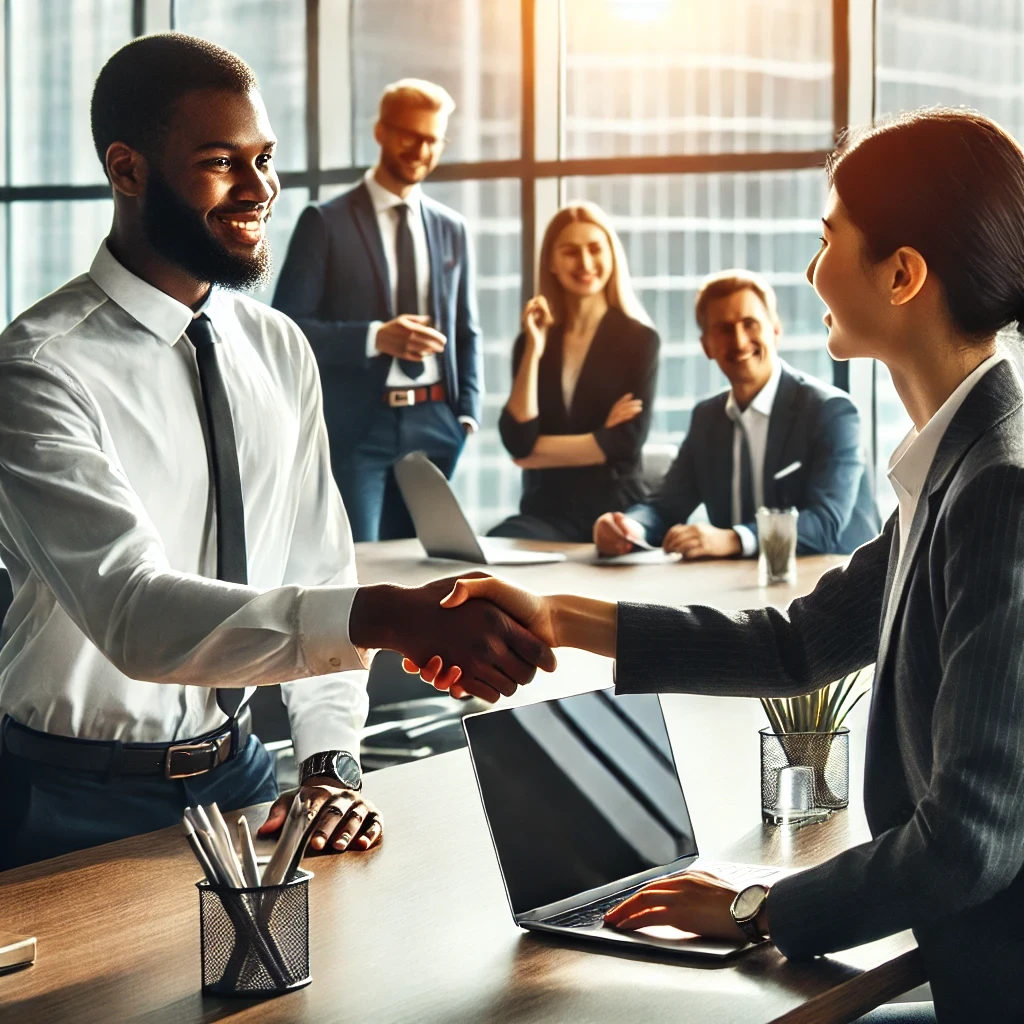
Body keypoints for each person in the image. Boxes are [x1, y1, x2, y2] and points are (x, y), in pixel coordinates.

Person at [417, 109, 1024, 1023]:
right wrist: (557, 616)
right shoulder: (960, 465)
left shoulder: (998, 486)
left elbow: (969, 841)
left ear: (902, 274)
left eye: (829, 240)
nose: (812, 271)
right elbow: (801, 644)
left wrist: (761, 908)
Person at [0, 35, 552, 872]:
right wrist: (383, 615)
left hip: (241, 773)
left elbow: (318, 563)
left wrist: (329, 763)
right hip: (67, 798)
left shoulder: (277, 345)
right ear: (129, 170)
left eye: (266, 160)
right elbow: (134, 614)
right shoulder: (37, 368)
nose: (260, 191)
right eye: (222, 162)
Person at [272, 78, 481, 542]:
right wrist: (374, 336)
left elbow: (466, 330)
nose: (422, 150)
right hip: (358, 429)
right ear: (381, 131)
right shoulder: (325, 222)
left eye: (433, 140)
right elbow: (286, 330)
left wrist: (466, 413)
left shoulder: (452, 229)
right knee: (360, 569)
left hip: (437, 424)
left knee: (426, 569)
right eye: (411, 135)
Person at [593, 269, 879, 560]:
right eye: (724, 329)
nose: (740, 341)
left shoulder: (831, 412)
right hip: (743, 586)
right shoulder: (707, 418)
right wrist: (627, 527)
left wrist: (735, 539)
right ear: (706, 345)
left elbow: (824, 525)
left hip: (836, 586)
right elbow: (665, 506)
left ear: (775, 329)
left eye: (750, 324)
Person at [489, 202, 660, 542]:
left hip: (613, 513)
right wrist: (534, 352)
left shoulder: (638, 340)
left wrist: (536, 454)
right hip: (545, 513)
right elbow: (518, 441)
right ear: (551, 262)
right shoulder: (531, 342)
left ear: (611, 255)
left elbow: (624, 443)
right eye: (570, 252)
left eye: (595, 249)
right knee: (492, 546)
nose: (584, 263)